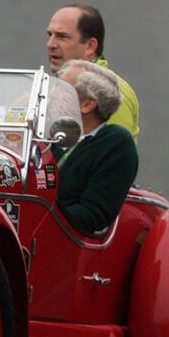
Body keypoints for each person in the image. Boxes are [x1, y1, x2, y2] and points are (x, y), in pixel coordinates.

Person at [55, 60, 138, 235]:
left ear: (87, 105)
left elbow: (93, 214)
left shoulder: (115, 143)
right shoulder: (46, 134)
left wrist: (41, 216)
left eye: (62, 89)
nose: (51, 94)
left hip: (67, 243)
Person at [45, 3, 140, 140]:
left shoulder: (110, 92)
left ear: (90, 46)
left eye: (62, 36)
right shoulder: (61, 86)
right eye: (50, 35)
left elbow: (111, 151)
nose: (51, 44)